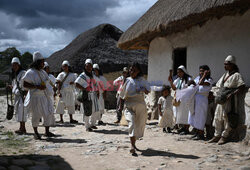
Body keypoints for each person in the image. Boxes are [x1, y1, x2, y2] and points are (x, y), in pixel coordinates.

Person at [209, 55, 245, 145]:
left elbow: (241, 86)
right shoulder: (225, 75)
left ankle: (224, 136)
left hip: (230, 100)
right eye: (224, 64)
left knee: (227, 118)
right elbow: (219, 85)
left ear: (232, 65)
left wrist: (231, 94)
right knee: (218, 117)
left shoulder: (237, 75)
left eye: (227, 64)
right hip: (222, 99)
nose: (225, 66)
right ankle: (216, 135)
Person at [119, 63, 150, 156]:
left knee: (138, 125)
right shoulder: (127, 80)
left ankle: (134, 143)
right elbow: (122, 94)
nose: (132, 72)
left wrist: (143, 89)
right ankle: (132, 146)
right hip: (129, 105)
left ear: (139, 71)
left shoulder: (142, 80)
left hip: (140, 105)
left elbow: (148, 90)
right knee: (131, 123)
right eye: (131, 70)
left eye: (134, 70)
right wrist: (120, 106)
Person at [23, 51, 55, 139]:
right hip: (35, 97)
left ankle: (47, 132)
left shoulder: (43, 72)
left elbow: (47, 81)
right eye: (41, 61)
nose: (43, 63)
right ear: (37, 62)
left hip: (44, 96)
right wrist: (37, 86)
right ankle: (36, 133)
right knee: (36, 115)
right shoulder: (30, 72)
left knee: (47, 113)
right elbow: (25, 84)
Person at [188, 65, 213, 140]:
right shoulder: (197, 78)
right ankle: (196, 132)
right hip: (196, 98)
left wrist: (205, 75)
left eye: (203, 71)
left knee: (200, 116)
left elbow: (201, 83)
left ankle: (201, 134)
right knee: (194, 115)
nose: (201, 72)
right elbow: (196, 85)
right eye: (200, 71)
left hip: (202, 99)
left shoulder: (209, 80)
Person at [75, 59, 100, 132]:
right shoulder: (83, 75)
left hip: (94, 94)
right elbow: (76, 83)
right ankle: (87, 126)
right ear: (85, 67)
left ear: (92, 66)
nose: (89, 67)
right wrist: (84, 89)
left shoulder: (93, 74)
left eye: (90, 66)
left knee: (95, 110)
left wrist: (97, 91)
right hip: (87, 95)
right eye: (87, 66)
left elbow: (96, 83)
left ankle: (92, 124)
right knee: (87, 110)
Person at [169, 65, 192, 135]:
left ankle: (187, 128)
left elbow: (190, 88)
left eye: (180, 72)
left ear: (183, 72)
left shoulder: (188, 79)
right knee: (180, 114)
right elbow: (174, 88)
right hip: (179, 99)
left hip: (186, 99)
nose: (178, 74)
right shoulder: (178, 80)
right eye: (177, 72)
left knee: (186, 113)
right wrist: (170, 82)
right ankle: (182, 128)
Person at [8, 57, 27, 134]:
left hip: (22, 95)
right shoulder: (15, 75)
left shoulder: (23, 73)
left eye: (16, 64)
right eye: (13, 65)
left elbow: (25, 85)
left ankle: (23, 128)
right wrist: (11, 87)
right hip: (17, 96)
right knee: (19, 112)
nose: (14, 66)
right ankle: (21, 127)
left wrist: (26, 94)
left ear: (19, 65)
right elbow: (15, 86)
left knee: (22, 111)